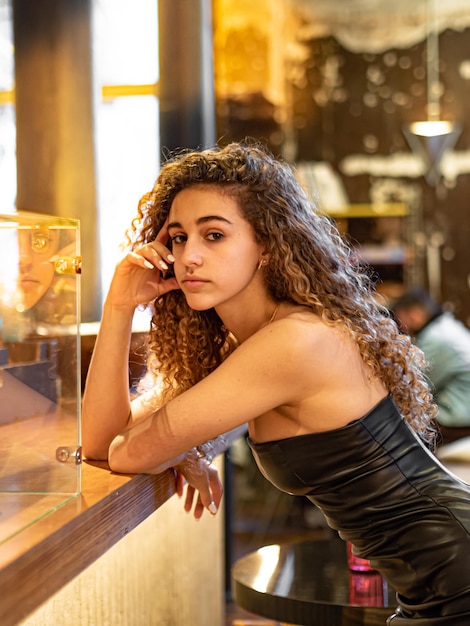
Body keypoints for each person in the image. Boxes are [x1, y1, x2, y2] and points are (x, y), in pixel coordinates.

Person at [82, 141, 470, 624]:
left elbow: (126, 452)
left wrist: (177, 446)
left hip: (457, 571)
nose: (189, 257)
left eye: (215, 235)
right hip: (433, 580)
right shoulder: (248, 345)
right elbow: (100, 444)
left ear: (265, 244)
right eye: (178, 238)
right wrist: (118, 307)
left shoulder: (292, 343)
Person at [393, 287, 470, 435]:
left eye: (400, 319)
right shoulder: (447, 326)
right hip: (464, 411)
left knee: (399, 429)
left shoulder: (436, 338)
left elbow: (413, 385)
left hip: (458, 416)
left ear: (414, 314)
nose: (401, 327)